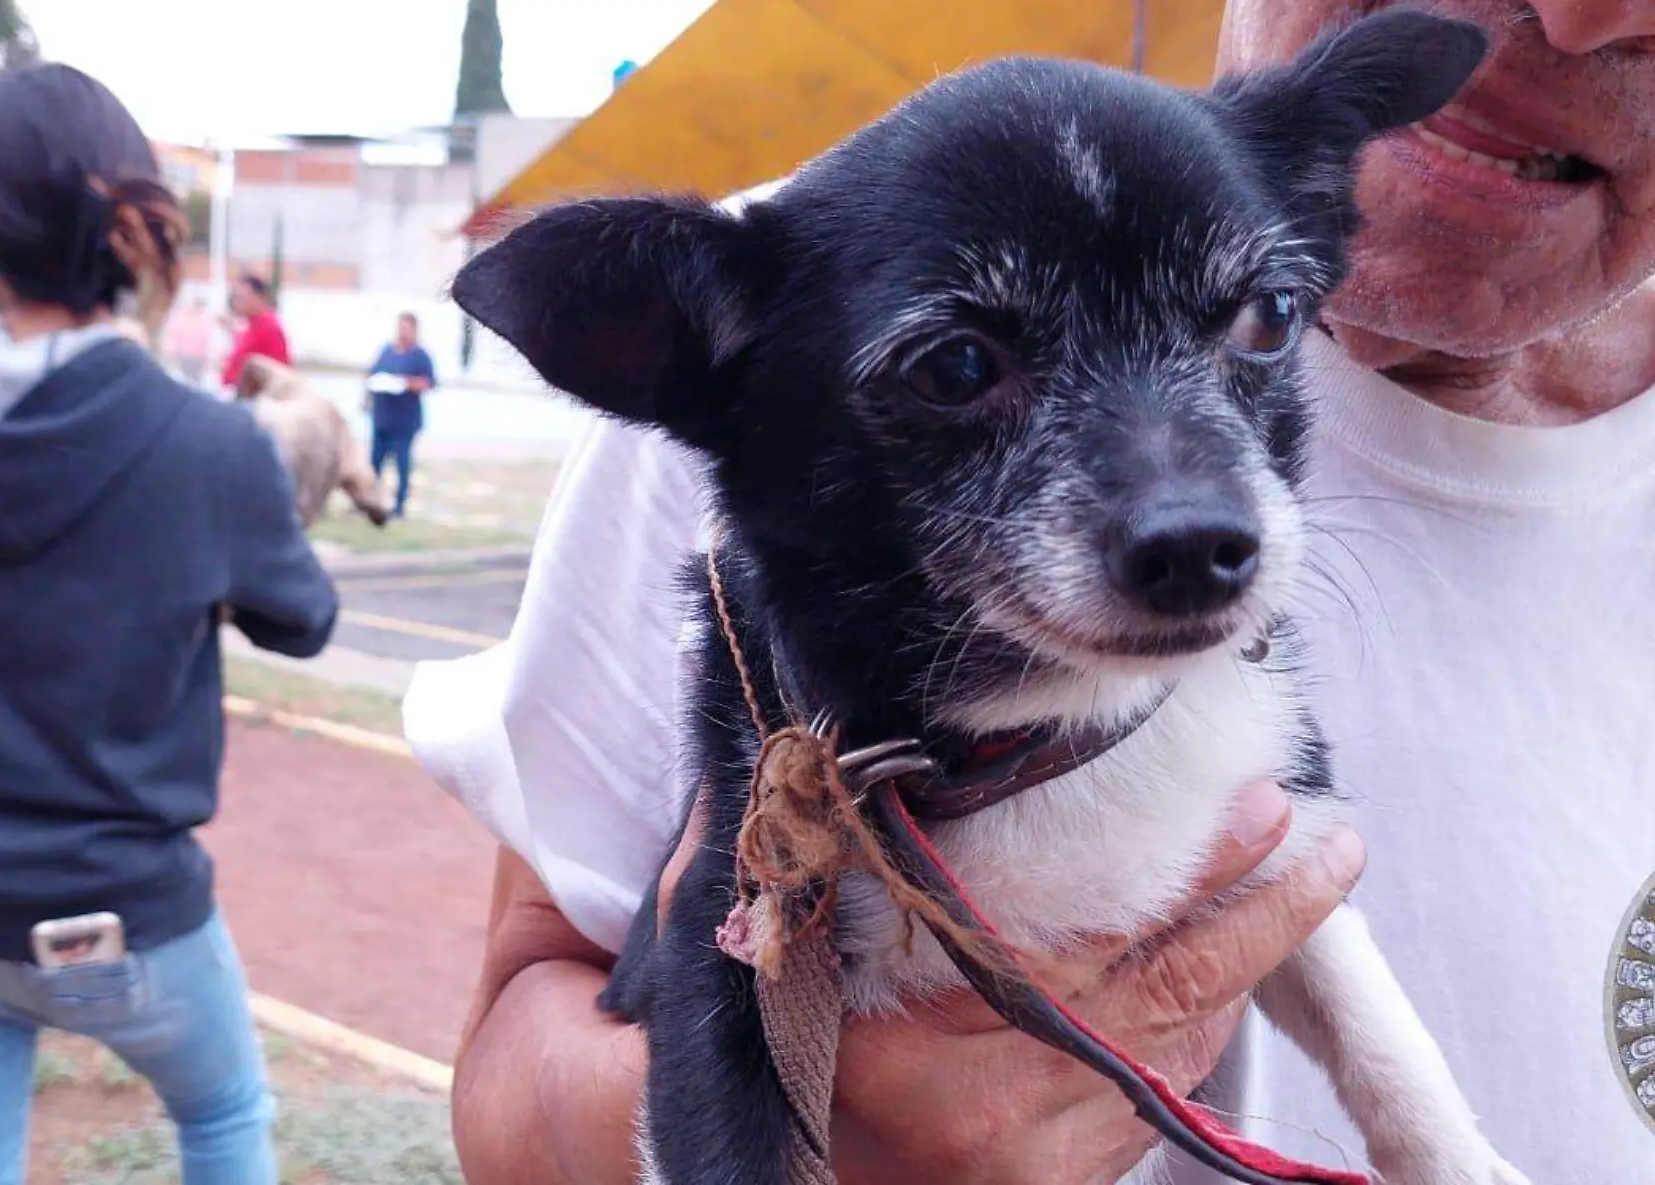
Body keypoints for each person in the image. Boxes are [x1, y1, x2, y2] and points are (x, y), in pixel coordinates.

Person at [403, 2, 1655, 1183]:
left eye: (1259, 321)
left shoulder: (1241, 706)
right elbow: (541, 1029)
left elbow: (1300, 888)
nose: (1183, 515)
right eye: (956, 370)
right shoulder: (765, 382)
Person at [0, 63, 339, 1185]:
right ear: (130, 231)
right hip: (121, 918)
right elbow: (301, 621)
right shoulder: (206, 445)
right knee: (225, 1115)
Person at [363, 311, 436, 519]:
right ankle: (371, 503)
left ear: (414, 330)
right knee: (374, 462)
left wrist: (404, 383)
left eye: (406, 328)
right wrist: (367, 398)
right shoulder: (387, 351)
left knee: (402, 464)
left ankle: (399, 505)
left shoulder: (420, 355)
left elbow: (428, 383)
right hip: (382, 417)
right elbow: (373, 374)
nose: (402, 332)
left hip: (405, 421)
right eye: (400, 327)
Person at [219, 272, 290, 391]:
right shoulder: (252, 325)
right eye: (235, 297)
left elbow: (279, 372)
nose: (236, 303)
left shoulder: (268, 328)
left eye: (240, 297)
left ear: (257, 297)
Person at [163, 293, 216, 385]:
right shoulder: (183, 318)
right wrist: (172, 351)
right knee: (184, 380)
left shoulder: (204, 321)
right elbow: (175, 336)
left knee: (195, 381)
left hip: (198, 358)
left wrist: (208, 358)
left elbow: (207, 340)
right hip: (185, 356)